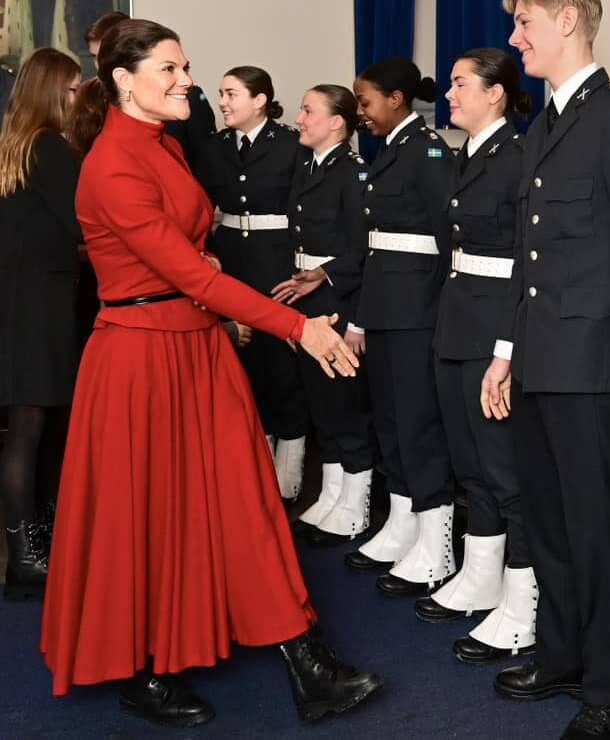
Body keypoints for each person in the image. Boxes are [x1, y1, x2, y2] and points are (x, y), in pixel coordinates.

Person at [39, 19, 381, 726]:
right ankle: (148, 670)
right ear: (123, 81)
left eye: (185, 66)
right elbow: (185, 267)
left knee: (245, 503)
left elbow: (192, 257)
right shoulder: (111, 164)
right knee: (152, 518)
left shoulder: (162, 144)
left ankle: (304, 659)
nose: (186, 80)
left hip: (195, 344)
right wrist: (297, 326)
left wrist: (221, 286)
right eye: (168, 69)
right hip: (141, 360)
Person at [483, 2, 610, 738]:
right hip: (540, 360)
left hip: (594, 368)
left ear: (567, 18)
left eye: (525, 21)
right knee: (550, 523)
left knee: (598, 531)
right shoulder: (545, 126)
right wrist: (506, 353)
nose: (514, 38)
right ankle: (563, 655)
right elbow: (527, 263)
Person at [293, 58, 456, 596]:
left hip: (415, 313)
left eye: (365, 102)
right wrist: (363, 318)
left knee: (417, 426)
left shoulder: (427, 151)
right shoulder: (392, 153)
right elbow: (375, 248)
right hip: (384, 308)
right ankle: (404, 521)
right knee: (390, 422)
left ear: (396, 99)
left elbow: (445, 241)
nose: (360, 112)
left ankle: (437, 542)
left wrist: (436, 308)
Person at [413, 48, 539, 665]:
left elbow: (525, 263)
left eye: (461, 84)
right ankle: (482, 573)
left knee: (504, 469)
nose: (450, 95)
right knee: (469, 460)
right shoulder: (468, 156)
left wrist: (508, 347)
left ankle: (525, 600)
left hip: (495, 329)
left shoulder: (517, 159)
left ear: (496, 94)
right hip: (457, 320)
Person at [195, 66, 309, 502]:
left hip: (277, 261)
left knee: (282, 364)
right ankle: (252, 468)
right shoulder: (213, 148)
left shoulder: (289, 145)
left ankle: (290, 470)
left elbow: (302, 208)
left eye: (231, 94)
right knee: (241, 367)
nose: (222, 102)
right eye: (221, 94)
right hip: (231, 263)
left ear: (259, 100)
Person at [271, 85, 377, 545]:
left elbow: (362, 246)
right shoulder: (309, 166)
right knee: (321, 406)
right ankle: (332, 497)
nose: (299, 117)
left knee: (344, 408)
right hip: (306, 298)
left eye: (308, 110)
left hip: (337, 301)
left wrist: (325, 274)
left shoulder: (352, 174)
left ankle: (355, 506)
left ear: (338, 122)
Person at [0, 48, 82, 601]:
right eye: (74, 88)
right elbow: (87, 219)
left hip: (21, 301)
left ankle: (33, 546)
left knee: (33, 426)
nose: (79, 98)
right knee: (33, 428)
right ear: (55, 91)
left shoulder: (15, 145)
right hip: (42, 304)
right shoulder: (51, 148)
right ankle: (27, 557)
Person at [84, 10, 216, 167]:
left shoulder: (174, 135)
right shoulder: (91, 106)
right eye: (95, 57)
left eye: (107, 55)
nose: (101, 65)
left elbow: (208, 163)